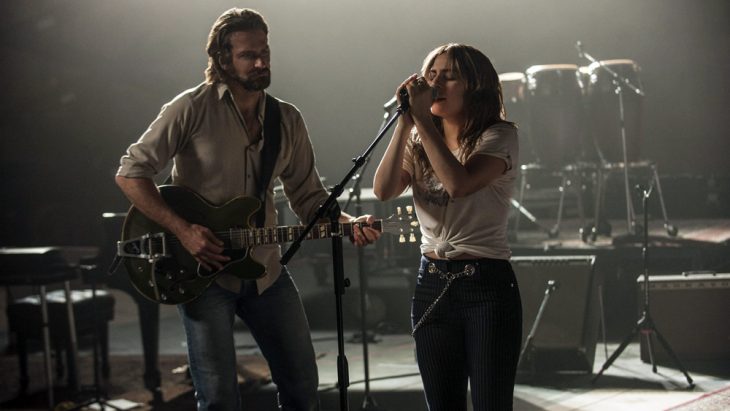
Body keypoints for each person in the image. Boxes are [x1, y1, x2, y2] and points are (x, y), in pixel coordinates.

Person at [115, 8, 380, 411]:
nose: (261, 62)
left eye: (265, 52)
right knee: (219, 399)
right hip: (204, 277)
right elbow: (131, 173)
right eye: (248, 55)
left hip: (266, 272)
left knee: (304, 390)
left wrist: (346, 223)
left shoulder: (287, 118)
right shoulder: (190, 108)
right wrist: (183, 230)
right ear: (223, 60)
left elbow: (309, 198)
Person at [373, 43, 523, 410]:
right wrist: (406, 124)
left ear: (475, 85)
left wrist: (423, 122)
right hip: (432, 282)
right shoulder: (418, 136)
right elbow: (384, 190)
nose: (436, 83)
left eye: (449, 76)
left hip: (486, 285)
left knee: (491, 403)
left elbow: (459, 185)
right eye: (431, 74)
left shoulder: (499, 136)